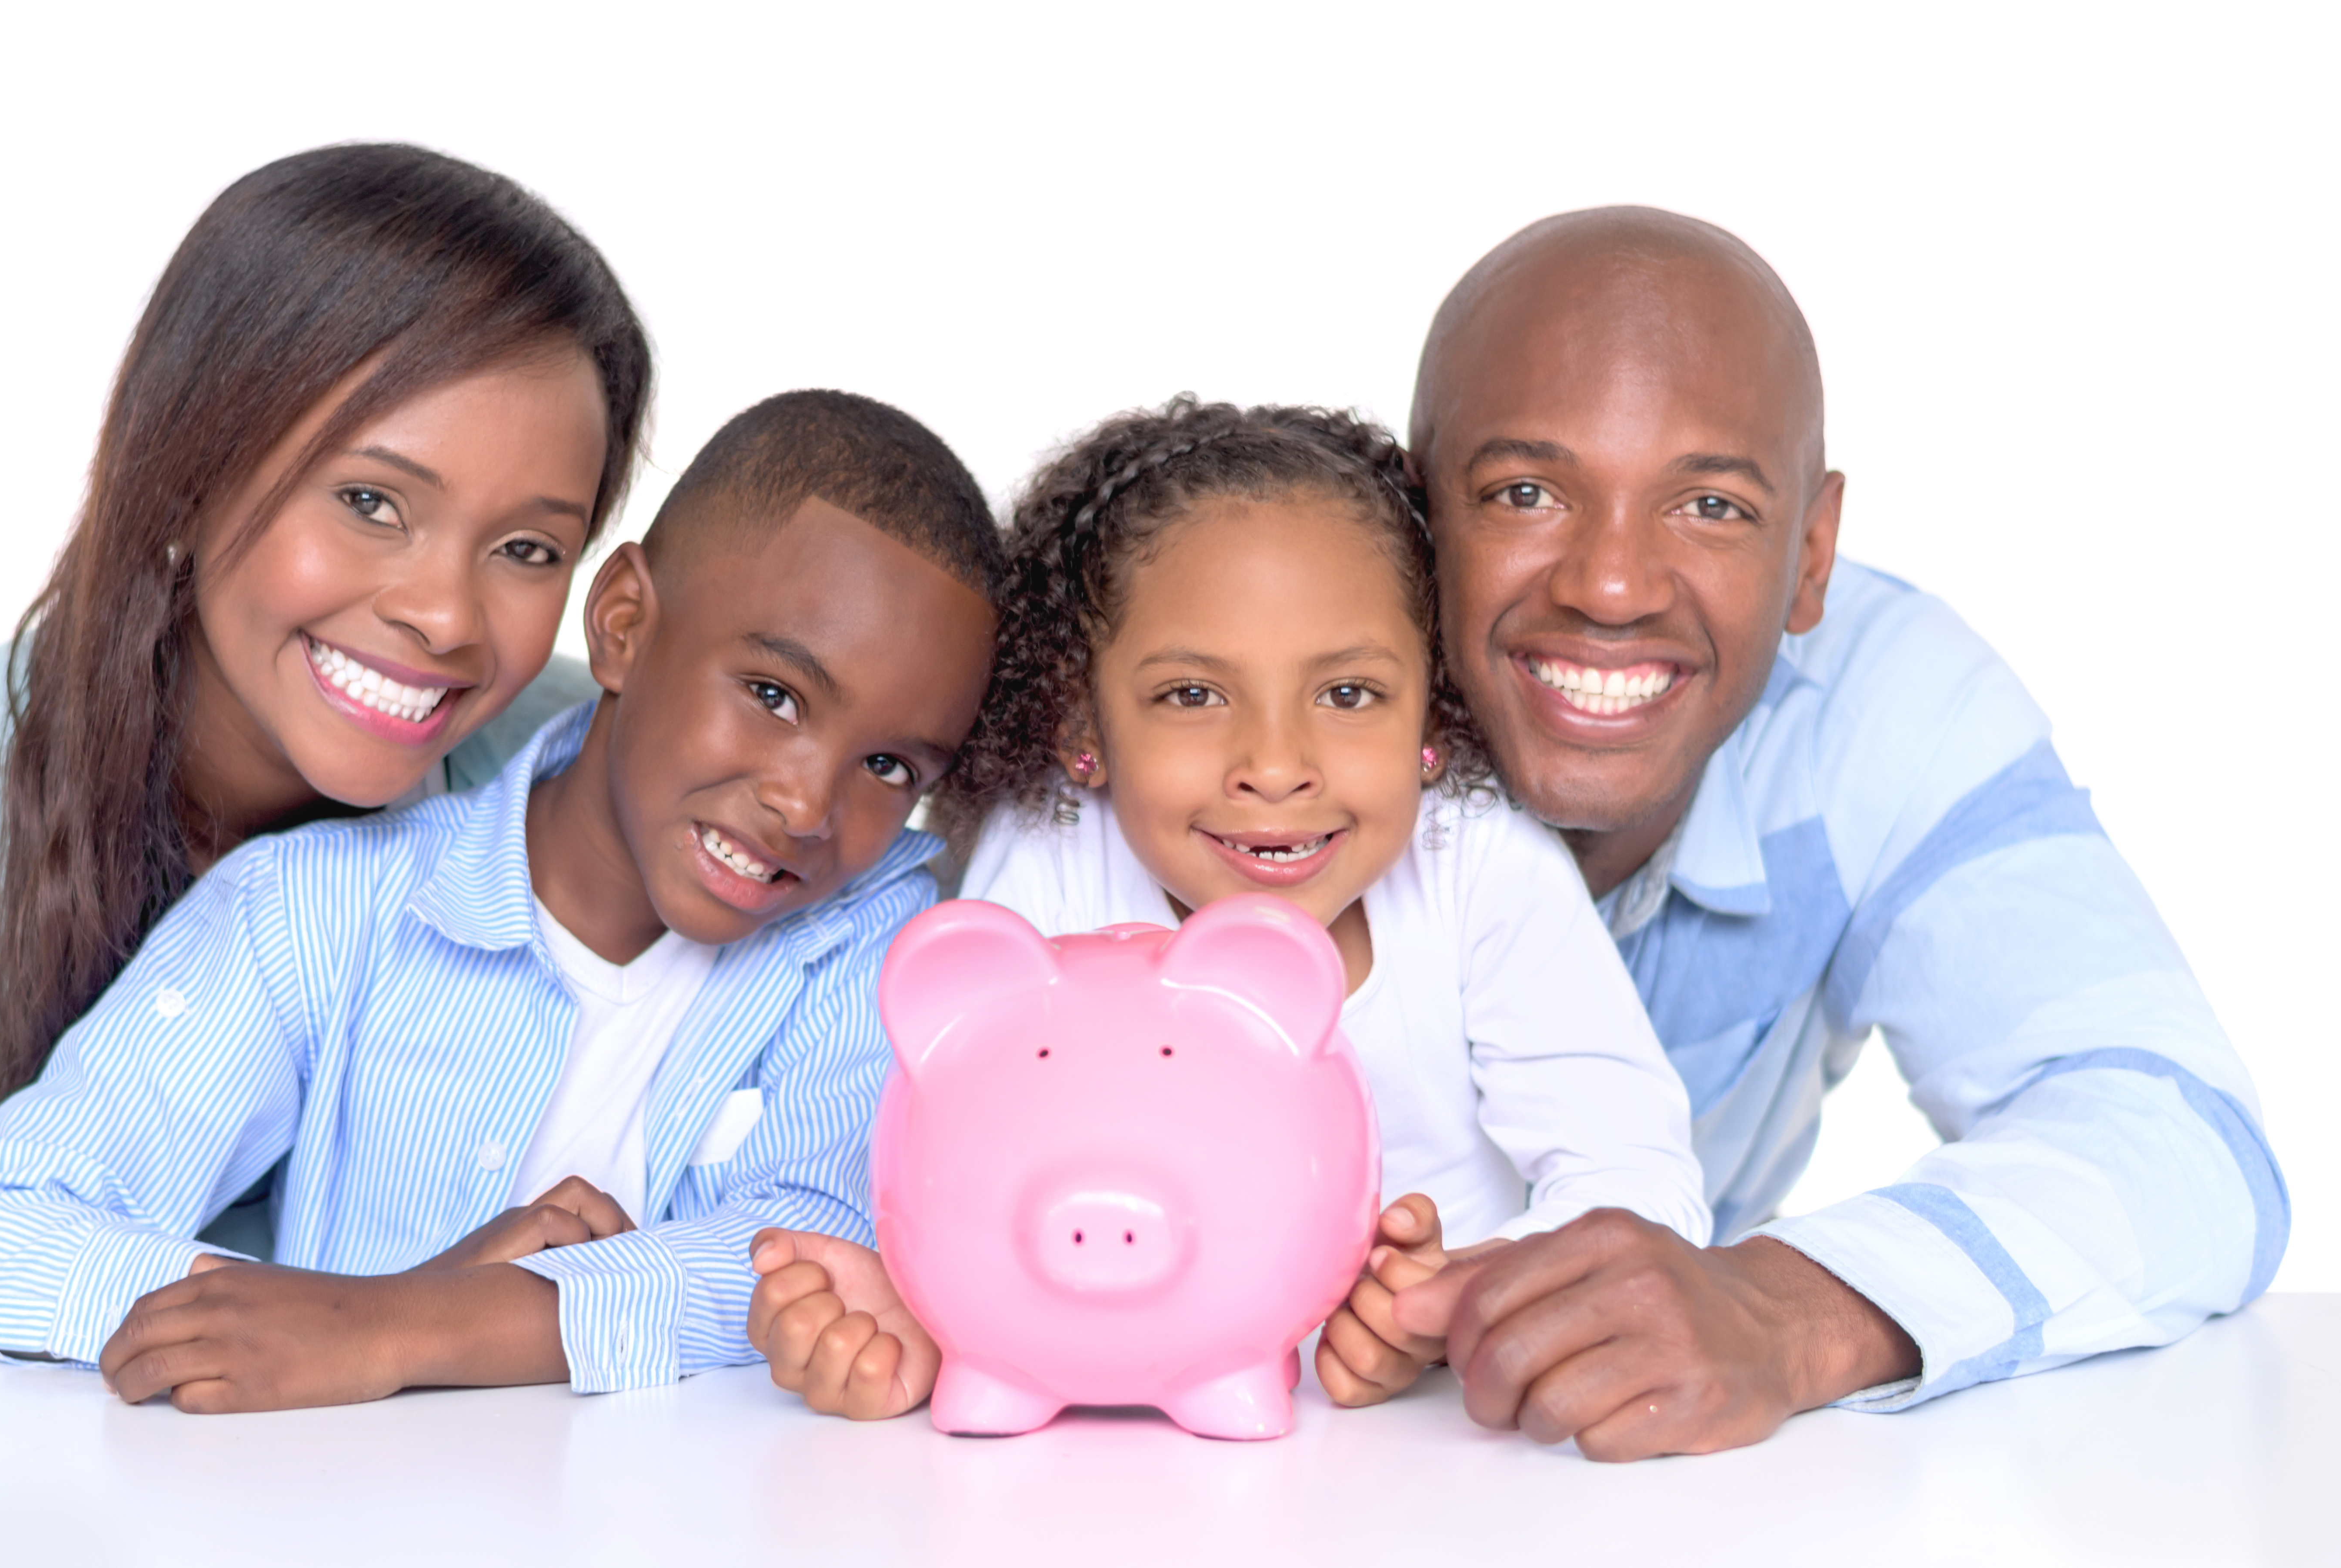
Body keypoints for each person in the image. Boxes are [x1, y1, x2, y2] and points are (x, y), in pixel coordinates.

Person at [0, 142, 647, 1326]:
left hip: (284, 1301)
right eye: (369, 501)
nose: (447, 616)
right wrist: (387, 1320)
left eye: (527, 549)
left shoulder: (570, 765)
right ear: (190, 468)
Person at [0, 391, 1002, 1411]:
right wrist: (347, 1313)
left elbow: (819, 1258)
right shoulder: (317, 913)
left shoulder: (879, 946)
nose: (808, 804)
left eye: (890, 767)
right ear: (623, 624)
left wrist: (407, 1325)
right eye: (773, 694)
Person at [1382, 206, 2281, 1458]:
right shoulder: (1235, 704)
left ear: (1811, 553)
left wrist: (1778, 1308)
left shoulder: (1881, 705)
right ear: (1411, 517)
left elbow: (2182, 1147)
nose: (1609, 585)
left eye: (1709, 505)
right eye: (1524, 492)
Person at [744, 395, 1708, 1421]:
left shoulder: (1481, 868)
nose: (1276, 767)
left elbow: (1640, 1183)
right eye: (1194, 696)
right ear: (1083, 725)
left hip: (1429, 1448)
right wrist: (911, 1316)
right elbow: (966, 1154)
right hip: (1136, 1446)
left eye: (1348, 695)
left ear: (1432, 710)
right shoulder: (1055, 855)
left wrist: (1454, 1304)